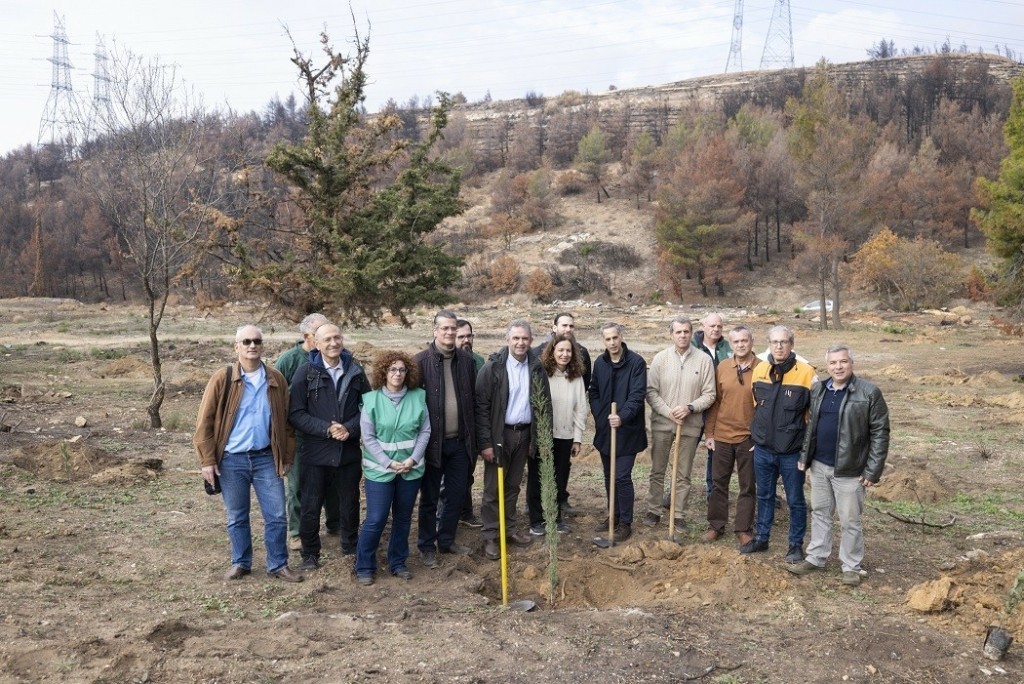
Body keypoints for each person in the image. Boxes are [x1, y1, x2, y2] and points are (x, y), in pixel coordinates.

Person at [194, 324, 303, 583]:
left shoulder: (275, 378)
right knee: (237, 515)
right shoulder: (223, 377)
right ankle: (240, 562)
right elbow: (204, 421)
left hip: (266, 457)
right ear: (237, 347)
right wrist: (207, 460)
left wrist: (286, 456)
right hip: (231, 459)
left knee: (277, 515)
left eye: (256, 341)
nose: (252, 346)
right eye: (246, 342)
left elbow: (287, 424)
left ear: (262, 345)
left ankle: (278, 564)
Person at [787, 345, 890, 587]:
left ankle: (851, 566)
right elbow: (811, 426)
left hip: (850, 471)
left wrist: (873, 470)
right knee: (820, 513)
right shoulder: (819, 389)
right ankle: (816, 557)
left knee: (849, 520)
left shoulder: (868, 393)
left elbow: (880, 432)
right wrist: (805, 456)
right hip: (820, 466)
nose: (838, 367)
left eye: (843, 362)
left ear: (851, 363)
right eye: (833, 363)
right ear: (828, 366)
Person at [287, 324, 371, 570]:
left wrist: (350, 428)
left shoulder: (356, 371)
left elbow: (368, 408)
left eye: (337, 337)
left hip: (348, 452)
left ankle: (350, 549)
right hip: (315, 453)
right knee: (310, 506)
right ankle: (310, 554)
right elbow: (296, 413)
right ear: (316, 343)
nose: (334, 343)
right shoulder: (306, 373)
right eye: (327, 339)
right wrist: (326, 428)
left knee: (349, 503)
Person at [475, 319, 552, 561]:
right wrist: (486, 443)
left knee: (512, 486)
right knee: (491, 488)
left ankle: (508, 530)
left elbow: (544, 406)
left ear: (530, 341)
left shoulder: (536, 367)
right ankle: (490, 535)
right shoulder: (493, 368)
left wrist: (539, 440)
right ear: (507, 339)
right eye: (516, 338)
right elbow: (481, 407)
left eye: (525, 338)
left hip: (525, 434)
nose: (520, 343)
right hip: (500, 435)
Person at [355, 350, 431, 586]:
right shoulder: (372, 400)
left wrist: (413, 459)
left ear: (408, 373)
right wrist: (388, 462)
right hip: (380, 471)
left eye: (402, 370)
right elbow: (368, 437)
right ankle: (365, 566)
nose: (397, 374)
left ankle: (398, 563)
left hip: (410, 470)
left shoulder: (418, 397)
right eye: (392, 369)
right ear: (384, 372)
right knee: (376, 519)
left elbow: (425, 431)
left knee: (403, 518)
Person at [743, 325, 817, 562]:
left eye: (783, 342)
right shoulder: (760, 370)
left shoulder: (806, 374)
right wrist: (757, 437)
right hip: (763, 450)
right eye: (774, 342)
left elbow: (813, 418)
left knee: (795, 500)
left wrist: (806, 454)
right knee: (764, 495)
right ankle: (762, 538)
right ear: (769, 345)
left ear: (791, 345)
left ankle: (795, 545)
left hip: (791, 453)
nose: (779, 346)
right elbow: (757, 408)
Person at [414, 310, 477, 568]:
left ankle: (447, 540)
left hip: (460, 443)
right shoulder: (419, 362)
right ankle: (427, 546)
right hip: (432, 444)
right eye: (445, 329)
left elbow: (473, 400)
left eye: (453, 328)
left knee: (455, 494)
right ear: (435, 330)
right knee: (429, 497)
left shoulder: (467, 361)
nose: (450, 333)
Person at [644, 316, 716, 528]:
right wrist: (668, 412)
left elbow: (710, 394)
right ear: (671, 334)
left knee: (683, 473)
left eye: (686, 331)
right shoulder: (660, 359)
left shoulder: (703, 360)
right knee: (657, 470)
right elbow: (651, 391)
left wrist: (690, 407)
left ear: (691, 333)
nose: (682, 335)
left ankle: (678, 514)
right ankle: (653, 510)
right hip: (662, 424)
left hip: (690, 425)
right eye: (678, 332)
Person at [273, 313, 334, 550]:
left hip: (328, 433)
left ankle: (334, 524)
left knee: (332, 483)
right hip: (298, 435)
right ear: (308, 336)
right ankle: (297, 532)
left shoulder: (334, 357)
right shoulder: (289, 360)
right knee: (298, 485)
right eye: (321, 333)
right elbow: (275, 397)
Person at [703, 325, 763, 547]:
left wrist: (760, 438)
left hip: (749, 438)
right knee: (718, 483)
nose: (740, 345)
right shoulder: (723, 367)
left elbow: (765, 407)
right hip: (722, 436)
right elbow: (715, 402)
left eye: (744, 341)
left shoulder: (763, 369)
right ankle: (715, 525)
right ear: (731, 343)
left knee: (748, 485)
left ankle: (743, 528)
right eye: (736, 341)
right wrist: (710, 432)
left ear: (751, 342)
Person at [589, 322, 648, 542]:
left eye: (615, 338)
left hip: (628, 431)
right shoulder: (600, 363)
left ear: (621, 337)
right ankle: (613, 514)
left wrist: (621, 416)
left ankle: (625, 522)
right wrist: (600, 414)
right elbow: (593, 391)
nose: (612, 343)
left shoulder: (636, 363)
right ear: (603, 341)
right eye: (608, 339)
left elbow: (637, 395)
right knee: (608, 476)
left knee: (622, 476)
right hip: (606, 431)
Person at [527, 333, 587, 535]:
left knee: (559, 480)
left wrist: (577, 438)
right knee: (537, 478)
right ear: (552, 351)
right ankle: (536, 520)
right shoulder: (542, 373)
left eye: (568, 350)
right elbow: (535, 405)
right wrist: (539, 436)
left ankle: (555, 518)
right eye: (560, 350)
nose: (564, 354)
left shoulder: (576, 377)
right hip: (543, 435)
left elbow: (580, 408)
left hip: (565, 435)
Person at [692, 312, 732, 500]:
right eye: (712, 326)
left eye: (719, 326)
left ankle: (712, 492)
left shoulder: (727, 348)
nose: (716, 329)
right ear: (703, 326)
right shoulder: (693, 346)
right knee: (686, 449)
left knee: (713, 451)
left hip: (718, 407)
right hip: (694, 406)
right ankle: (676, 490)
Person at [454, 317, 484, 529]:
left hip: (473, 430)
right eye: (461, 336)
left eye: (468, 335)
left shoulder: (480, 362)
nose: (466, 340)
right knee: (450, 478)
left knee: (468, 474)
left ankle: (466, 512)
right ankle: (449, 515)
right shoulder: (448, 362)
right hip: (452, 430)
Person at [532, 312, 593, 393]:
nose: (568, 329)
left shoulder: (582, 353)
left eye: (571, 326)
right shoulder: (538, 352)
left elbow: (584, 384)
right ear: (554, 328)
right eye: (564, 325)